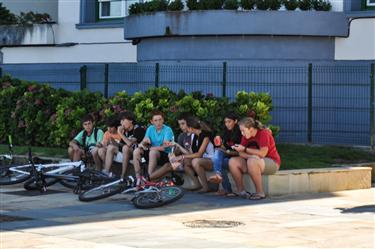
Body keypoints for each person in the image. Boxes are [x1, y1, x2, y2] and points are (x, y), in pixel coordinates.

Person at [229, 117, 281, 200]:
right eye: (241, 131)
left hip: (272, 162)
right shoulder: (245, 136)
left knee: (252, 161)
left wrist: (246, 150)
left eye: (243, 130)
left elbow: (263, 153)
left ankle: (260, 192)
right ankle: (241, 191)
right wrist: (251, 156)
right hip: (254, 162)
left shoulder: (264, 133)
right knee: (232, 161)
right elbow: (241, 154)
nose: (242, 133)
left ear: (251, 129)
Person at [133, 110, 174, 185]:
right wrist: (143, 143)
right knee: (136, 151)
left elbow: (163, 148)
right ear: (152, 121)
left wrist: (150, 148)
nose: (158, 122)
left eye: (160, 120)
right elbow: (143, 143)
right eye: (155, 120)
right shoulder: (150, 129)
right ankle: (138, 178)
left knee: (153, 152)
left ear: (163, 120)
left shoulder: (167, 130)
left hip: (165, 155)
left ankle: (149, 178)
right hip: (152, 152)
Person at [174, 116, 214, 193]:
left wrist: (181, 156)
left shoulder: (206, 136)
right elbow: (193, 153)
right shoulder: (195, 136)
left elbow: (199, 154)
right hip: (202, 159)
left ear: (191, 128)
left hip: (211, 161)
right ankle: (197, 184)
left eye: (187, 127)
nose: (185, 129)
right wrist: (181, 155)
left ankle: (206, 187)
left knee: (195, 161)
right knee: (186, 162)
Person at [149, 112, 193, 181]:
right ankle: (150, 178)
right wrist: (173, 153)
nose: (181, 126)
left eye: (183, 123)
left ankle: (148, 179)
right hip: (183, 159)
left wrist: (177, 146)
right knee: (168, 165)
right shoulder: (181, 136)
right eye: (180, 124)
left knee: (168, 166)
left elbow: (192, 154)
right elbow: (178, 151)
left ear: (190, 122)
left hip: (190, 160)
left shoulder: (194, 135)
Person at [208, 113, 242, 196]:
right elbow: (225, 148)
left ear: (235, 121)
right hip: (228, 157)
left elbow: (241, 152)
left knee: (220, 161)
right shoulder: (226, 132)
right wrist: (219, 145)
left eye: (229, 122)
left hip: (238, 158)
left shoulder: (241, 132)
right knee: (218, 154)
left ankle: (226, 188)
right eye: (225, 122)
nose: (227, 124)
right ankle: (218, 176)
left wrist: (228, 152)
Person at [111, 111, 145, 179]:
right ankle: (107, 172)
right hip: (128, 152)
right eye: (121, 121)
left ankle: (123, 175)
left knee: (125, 148)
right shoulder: (125, 131)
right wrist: (114, 143)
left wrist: (120, 133)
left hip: (139, 152)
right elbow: (121, 144)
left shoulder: (138, 129)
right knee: (110, 147)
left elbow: (129, 144)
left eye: (123, 120)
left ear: (131, 120)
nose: (121, 123)